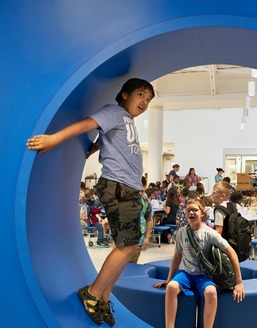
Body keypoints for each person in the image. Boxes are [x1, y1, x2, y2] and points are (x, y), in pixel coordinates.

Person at [27, 78, 155, 326]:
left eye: (148, 100)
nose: (145, 102)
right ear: (124, 95)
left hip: (129, 189)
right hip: (117, 187)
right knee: (127, 246)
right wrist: (54, 139)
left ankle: (105, 297)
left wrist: (95, 147)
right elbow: (88, 123)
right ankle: (93, 293)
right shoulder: (114, 112)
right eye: (141, 95)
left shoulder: (125, 120)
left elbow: (108, 137)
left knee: (128, 246)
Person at [153, 198, 245, 328]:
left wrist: (239, 282)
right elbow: (177, 257)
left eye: (195, 210)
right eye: (188, 210)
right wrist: (169, 279)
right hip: (186, 273)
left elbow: (232, 254)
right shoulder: (181, 232)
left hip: (204, 275)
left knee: (211, 293)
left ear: (202, 213)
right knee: (172, 287)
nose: (191, 213)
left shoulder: (210, 233)